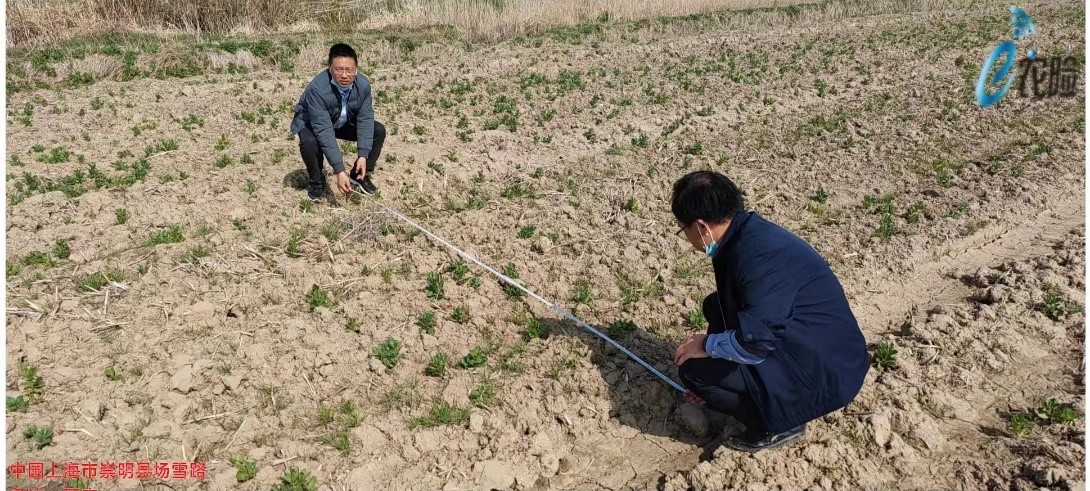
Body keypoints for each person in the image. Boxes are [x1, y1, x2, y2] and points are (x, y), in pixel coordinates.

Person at [669, 170, 869, 453]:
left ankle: (779, 422)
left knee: (695, 373)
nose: (687, 238)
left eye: (683, 229)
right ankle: (757, 395)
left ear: (701, 226)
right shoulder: (745, 235)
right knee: (716, 306)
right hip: (820, 347)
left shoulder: (757, 259)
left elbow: (757, 342)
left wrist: (708, 345)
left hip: (824, 373)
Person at [290, 43, 386, 202]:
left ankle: (360, 175)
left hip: (341, 121)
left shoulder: (362, 86)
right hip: (313, 122)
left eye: (349, 70)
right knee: (309, 142)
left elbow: (365, 119)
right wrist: (339, 171)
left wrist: (363, 155)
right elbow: (324, 131)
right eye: (339, 70)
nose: (344, 75)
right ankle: (316, 182)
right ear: (330, 69)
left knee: (378, 130)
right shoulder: (317, 89)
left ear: (356, 69)